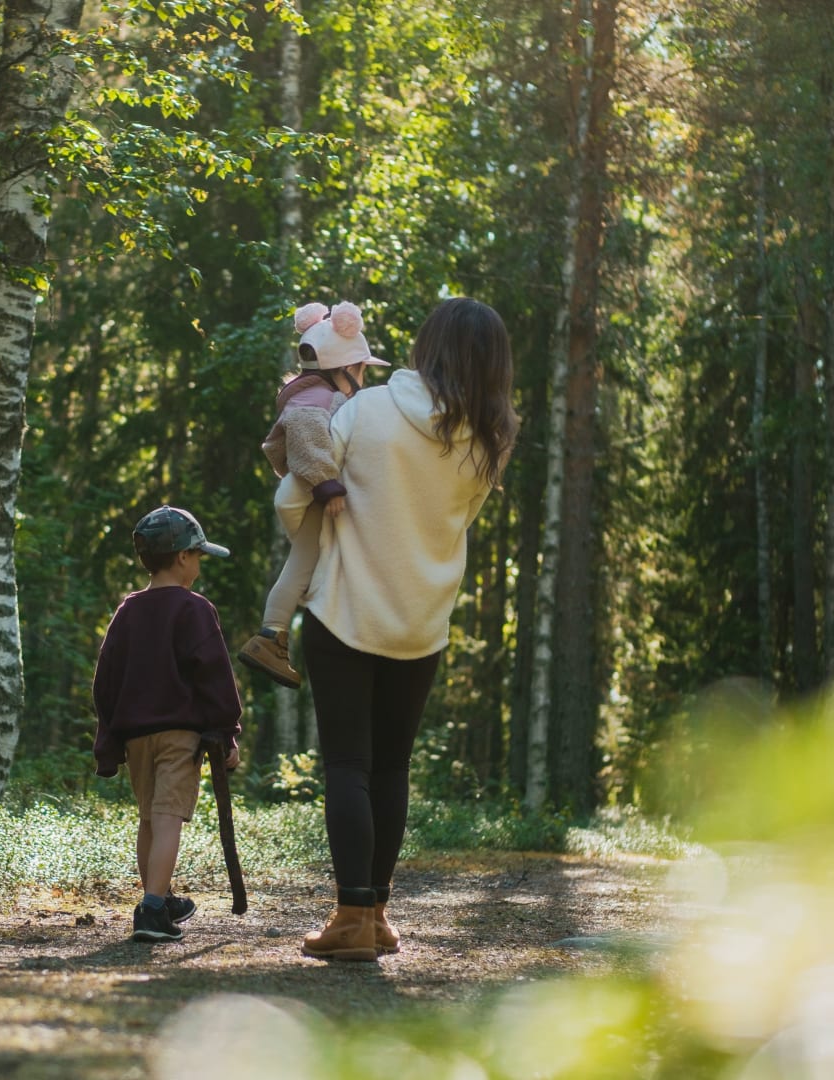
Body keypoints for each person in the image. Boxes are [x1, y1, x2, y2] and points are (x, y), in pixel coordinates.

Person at [286, 297, 519, 962]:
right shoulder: (487, 440)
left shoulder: (372, 408)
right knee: (391, 768)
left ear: (427, 346)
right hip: (423, 620)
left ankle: (353, 918)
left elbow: (308, 470)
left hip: (345, 610)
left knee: (347, 766)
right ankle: (378, 914)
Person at [91, 505, 244, 944]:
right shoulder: (194, 609)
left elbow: (106, 680)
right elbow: (213, 676)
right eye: (198, 555)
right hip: (180, 735)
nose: (199, 564)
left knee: (149, 820)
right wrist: (227, 731)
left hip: (136, 736)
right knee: (168, 817)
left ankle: (159, 895)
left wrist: (110, 736)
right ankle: (153, 908)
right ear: (181, 557)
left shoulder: (128, 611)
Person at [237, 301, 390, 689]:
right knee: (307, 559)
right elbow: (306, 434)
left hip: (305, 494)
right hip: (311, 494)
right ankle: (271, 636)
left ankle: (273, 634)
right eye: (360, 371)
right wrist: (327, 484)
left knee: (304, 562)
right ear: (342, 370)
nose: (363, 381)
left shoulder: (311, 394)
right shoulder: (316, 400)